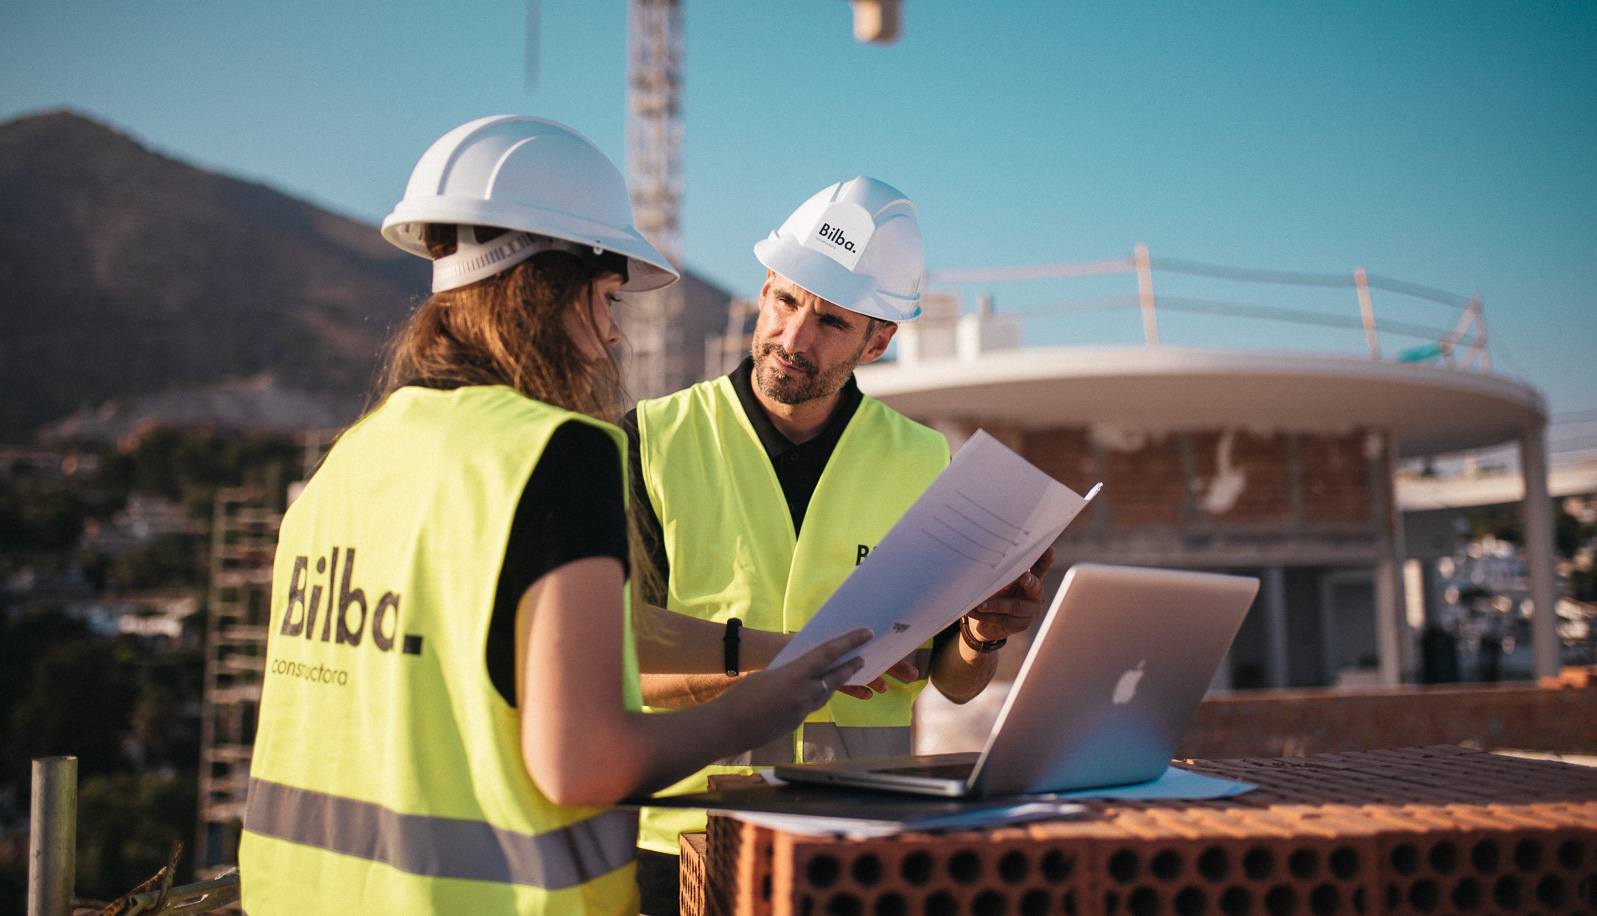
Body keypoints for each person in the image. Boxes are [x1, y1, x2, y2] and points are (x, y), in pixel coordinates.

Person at [239, 115, 875, 915]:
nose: (613, 332)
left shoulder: (351, 461)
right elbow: (582, 765)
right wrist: (756, 709)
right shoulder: (557, 453)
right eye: (607, 296)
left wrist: (759, 651)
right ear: (543, 287)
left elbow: (519, 636)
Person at [625, 176, 1056, 911]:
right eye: (786, 302)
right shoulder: (651, 439)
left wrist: (981, 636)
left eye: (829, 321)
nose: (793, 338)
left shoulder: (922, 462)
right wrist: (786, 660)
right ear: (764, 289)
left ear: (879, 339)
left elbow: (948, 679)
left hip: (858, 837)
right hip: (686, 840)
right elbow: (620, 664)